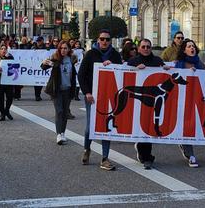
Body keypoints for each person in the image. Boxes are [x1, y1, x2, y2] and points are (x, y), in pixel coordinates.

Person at [78, 29, 122, 171]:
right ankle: (87, 149)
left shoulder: (115, 55)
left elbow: (122, 73)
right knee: (90, 127)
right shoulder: (91, 54)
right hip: (93, 96)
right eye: (102, 39)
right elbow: (81, 75)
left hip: (109, 95)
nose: (104, 41)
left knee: (106, 127)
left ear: (110, 41)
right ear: (98, 40)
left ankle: (105, 157)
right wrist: (87, 92)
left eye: (107, 39)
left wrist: (114, 66)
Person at [126, 39, 170, 169]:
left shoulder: (157, 61)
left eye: (148, 47)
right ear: (139, 48)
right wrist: (134, 69)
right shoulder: (133, 61)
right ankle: (142, 152)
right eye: (143, 46)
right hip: (139, 99)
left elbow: (165, 76)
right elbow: (124, 74)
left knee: (149, 127)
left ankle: (147, 156)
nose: (146, 49)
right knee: (140, 125)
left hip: (153, 99)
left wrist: (166, 69)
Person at [174, 38, 205, 168]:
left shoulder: (200, 64)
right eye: (188, 46)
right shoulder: (179, 64)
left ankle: (185, 146)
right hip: (182, 99)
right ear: (184, 50)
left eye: (193, 46)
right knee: (186, 125)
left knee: (192, 125)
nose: (191, 48)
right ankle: (190, 154)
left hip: (196, 99)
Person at [41, 40, 78, 145]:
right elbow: (44, 67)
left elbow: (73, 74)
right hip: (57, 90)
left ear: (69, 49)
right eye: (61, 48)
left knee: (65, 112)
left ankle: (62, 133)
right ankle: (58, 134)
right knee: (59, 111)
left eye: (65, 48)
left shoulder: (72, 59)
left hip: (68, 89)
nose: (63, 50)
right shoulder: (55, 58)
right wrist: (44, 63)